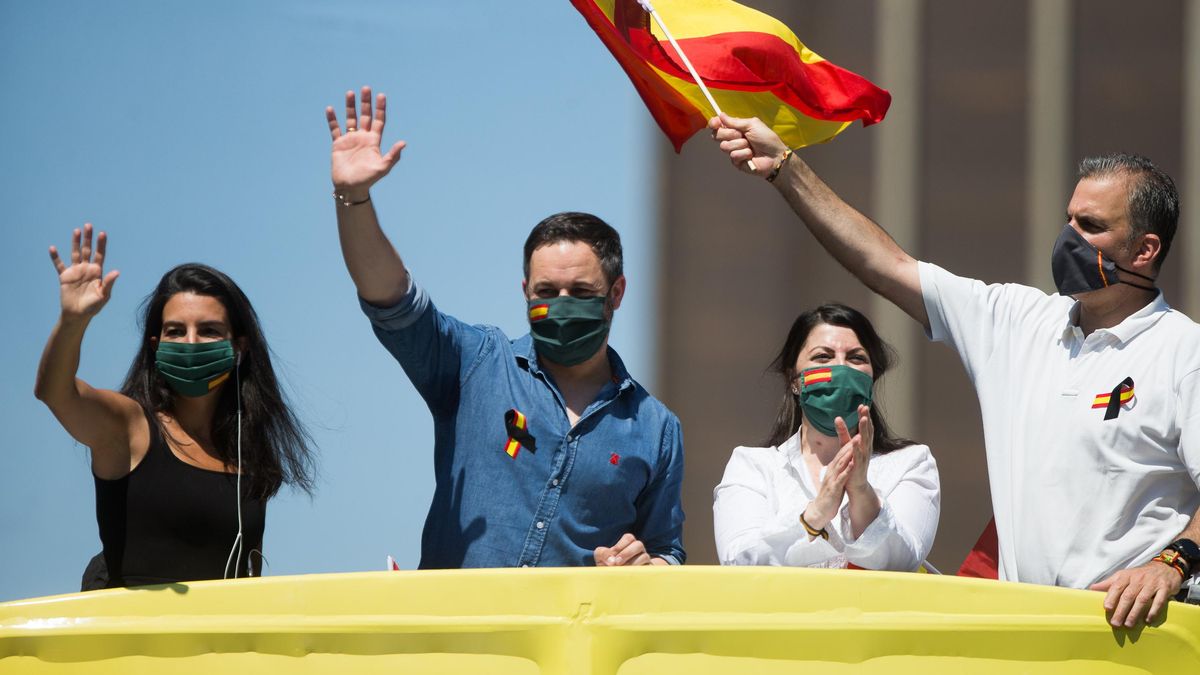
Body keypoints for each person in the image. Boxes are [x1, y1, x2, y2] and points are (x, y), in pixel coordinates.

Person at [710, 115, 1200, 627]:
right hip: (1029, 636)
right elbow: (887, 264)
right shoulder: (1018, 321)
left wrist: (1172, 563)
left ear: (1145, 250)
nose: (1068, 239)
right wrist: (783, 168)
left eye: (1092, 227)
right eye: (1069, 220)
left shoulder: (1184, 352)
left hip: (1138, 640)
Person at [323, 86, 685, 568]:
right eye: (545, 292)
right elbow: (391, 298)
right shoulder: (475, 364)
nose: (560, 306)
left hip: (562, 643)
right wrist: (354, 198)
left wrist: (647, 565)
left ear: (616, 294)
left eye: (579, 293)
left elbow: (667, 552)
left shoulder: (655, 429)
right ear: (524, 291)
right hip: (459, 639)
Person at [35, 225, 315, 589]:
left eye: (210, 330)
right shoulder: (130, 427)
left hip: (216, 642)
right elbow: (56, 393)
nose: (191, 343)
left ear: (239, 348)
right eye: (175, 331)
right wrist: (73, 321)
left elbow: (247, 581)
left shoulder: (249, 453)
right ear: (155, 345)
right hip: (131, 641)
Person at [713, 304, 939, 570]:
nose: (840, 369)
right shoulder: (752, 466)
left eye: (856, 358)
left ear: (872, 378)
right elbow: (738, 561)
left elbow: (904, 560)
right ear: (793, 380)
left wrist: (861, 492)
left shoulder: (911, 462)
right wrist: (816, 513)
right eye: (823, 357)